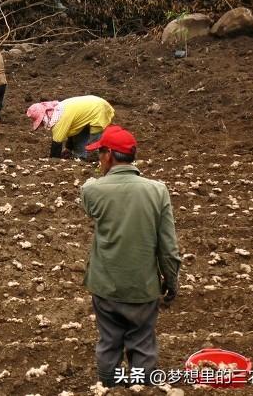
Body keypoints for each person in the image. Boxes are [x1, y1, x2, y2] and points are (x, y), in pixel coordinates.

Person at [80, 125, 181, 387]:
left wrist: (97, 177)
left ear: (109, 155)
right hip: (143, 288)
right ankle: (139, 387)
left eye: (100, 152)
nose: (98, 158)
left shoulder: (93, 190)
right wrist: (171, 283)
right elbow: (168, 248)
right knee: (143, 343)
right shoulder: (158, 191)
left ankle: (110, 388)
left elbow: (90, 190)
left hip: (105, 286)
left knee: (109, 342)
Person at [26, 95, 115, 160]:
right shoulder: (58, 109)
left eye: (41, 122)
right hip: (93, 105)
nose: (42, 125)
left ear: (44, 116)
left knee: (94, 142)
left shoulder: (60, 121)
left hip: (98, 110)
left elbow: (56, 144)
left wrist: (53, 161)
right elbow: (73, 131)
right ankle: (80, 156)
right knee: (79, 133)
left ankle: (97, 159)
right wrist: (68, 148)